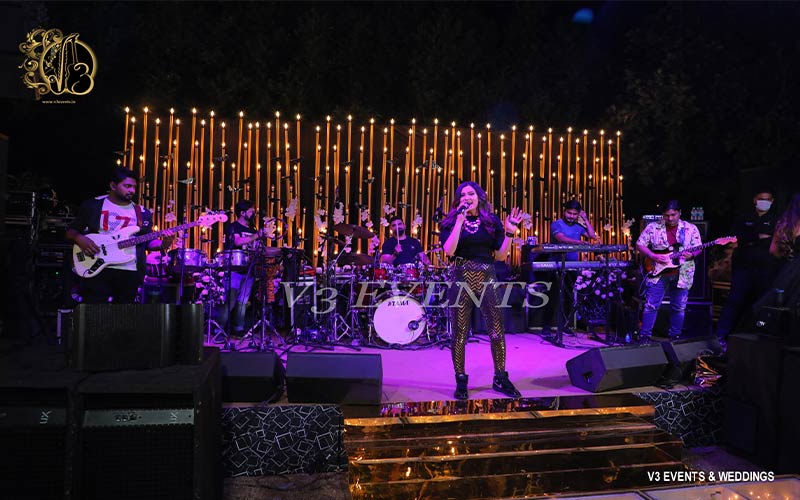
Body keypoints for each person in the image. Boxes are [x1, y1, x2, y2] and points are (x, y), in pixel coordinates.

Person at [440, 180, 523, 400]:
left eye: (471, 194)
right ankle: (461, 379)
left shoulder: (491, 221)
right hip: (461, 277)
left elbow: (501, 256)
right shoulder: (450, 222)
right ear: (458, 200)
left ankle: (500, 377)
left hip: (487, 276)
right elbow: (449, 251)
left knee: (496, 331)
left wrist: (509, 233)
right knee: (459, 333)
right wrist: (459, 222)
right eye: (462, 195)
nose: (467, 197)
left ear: (479, 197)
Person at [66, 167, 173, 303]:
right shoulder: (93, 206)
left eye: (134, 187)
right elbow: (71, 231)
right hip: (97, 266)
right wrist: (80, 238)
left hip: (130, 270)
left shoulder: (142, 213)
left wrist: (164, 244)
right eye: (127, 186)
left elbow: (148, 242)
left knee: (123, 313)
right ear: (113, 186)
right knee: (95, 311)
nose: (132, 190)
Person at [716, 189, 781, 340]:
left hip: (765, 268)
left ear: (772, 201)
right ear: (755, 200)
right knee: (734, 300)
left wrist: (753, 239)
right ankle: (721, 336)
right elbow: (737, 237)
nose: (764, 202)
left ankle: (757, 337)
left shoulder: (776, 220)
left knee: (761, 302)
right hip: (743, 267)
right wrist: (759, 237)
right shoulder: (743, 218)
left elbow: (774, 242)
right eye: (761, 198)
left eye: (767, 199)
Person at [636, 200, 703, 339]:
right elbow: (640, 244)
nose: (670, 218)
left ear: (680, 213)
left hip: (682, 273)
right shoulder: (653, 227)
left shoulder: (690, 228)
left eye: (673, 215)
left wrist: (692, 255)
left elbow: (698, 247)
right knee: (651, 305)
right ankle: (644, 336)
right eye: (666, 215)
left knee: (679, 307)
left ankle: (675, 337)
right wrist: (652, 255)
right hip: (658, 271)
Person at [539, 200, 600, 335]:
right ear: (564, 211)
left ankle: (565, 325)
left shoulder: (578, 226)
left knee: (569, 297)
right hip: (556, 265)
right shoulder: (557, 224)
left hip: (572, 266)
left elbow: (592, 235)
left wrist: (585, 219)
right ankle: (546, 326)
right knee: (553, 296)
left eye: (574, 214)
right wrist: (579, 242)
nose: (571, 216)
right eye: (569, 213)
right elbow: (561, 238)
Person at [220, 200, 266, 336]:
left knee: (243, 301)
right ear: (242, 213)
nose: (254, 214)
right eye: (251, 211)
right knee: (231, 300)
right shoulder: (233, 227)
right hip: (234, 269)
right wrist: (257, 235)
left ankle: (238, 328)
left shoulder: (252, 230)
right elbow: (238, 241)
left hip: (249, 269)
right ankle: (219, 328)